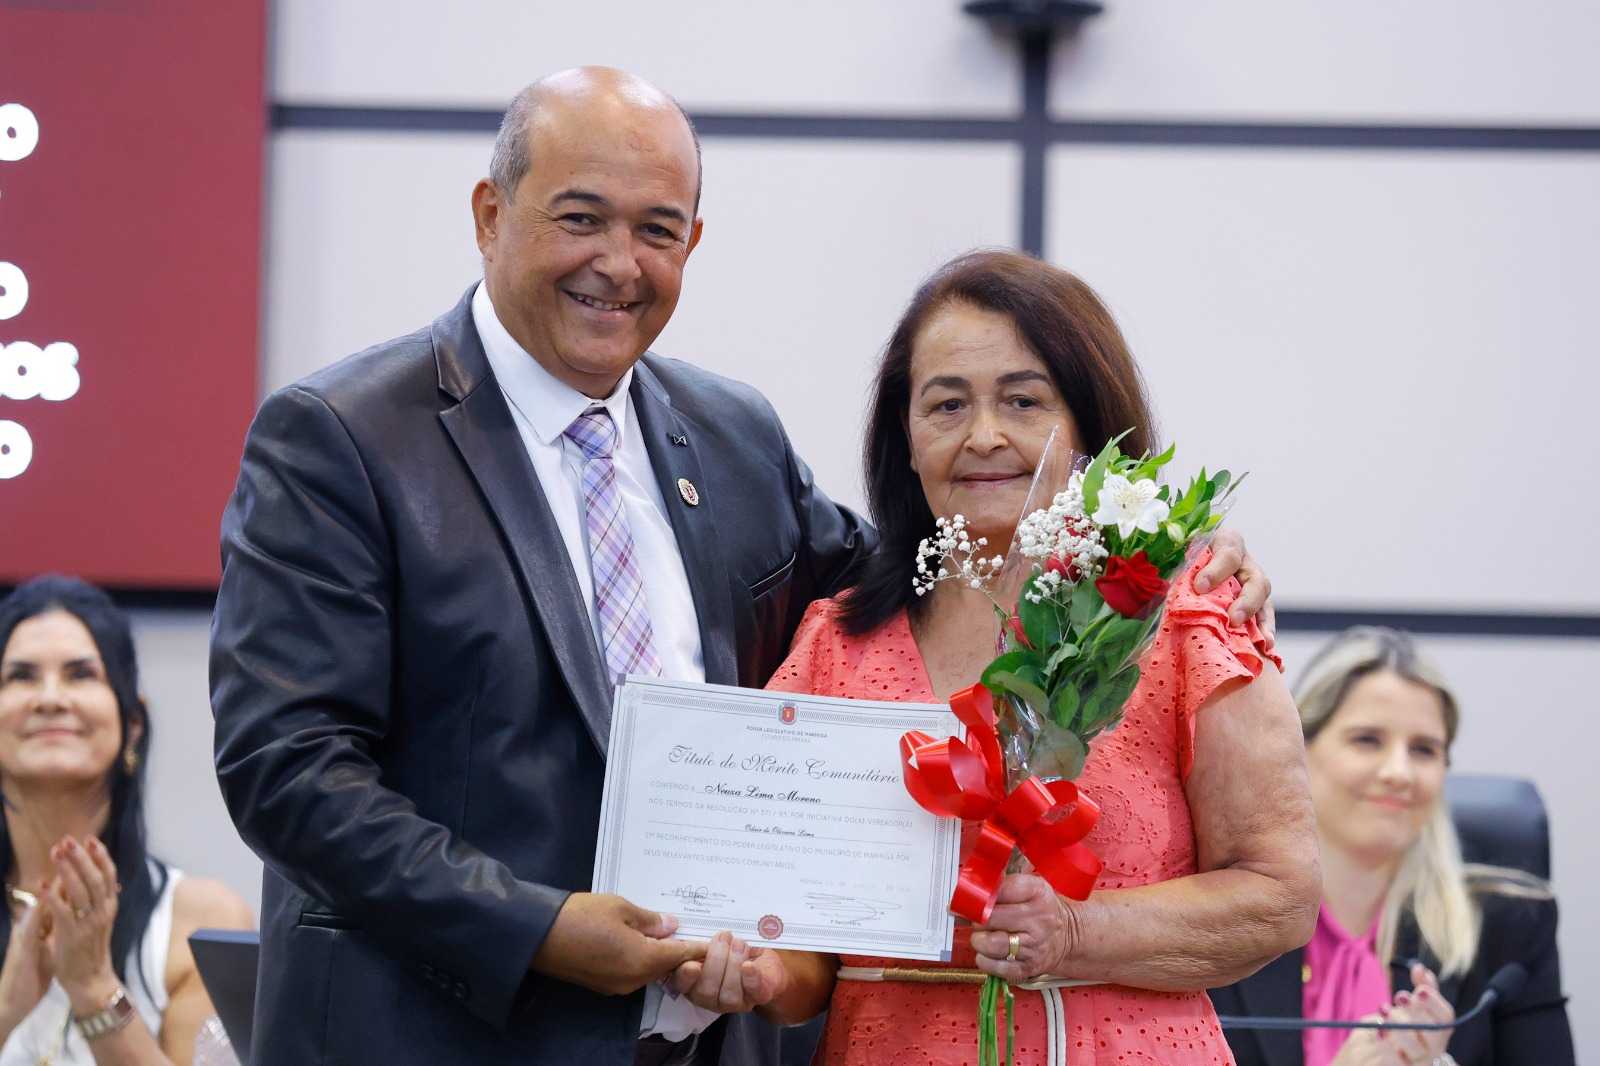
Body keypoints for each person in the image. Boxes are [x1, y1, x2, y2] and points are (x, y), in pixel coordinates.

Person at [209, 69, 1273, 1066]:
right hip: (432, 1034)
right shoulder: (341, 439)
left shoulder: (729, 436)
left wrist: (1159, 558)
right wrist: (541, 927)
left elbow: (918, 583)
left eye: (656, 230)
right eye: (579, 218)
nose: (618, 263)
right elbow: (287, 768)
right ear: (490, 215)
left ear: (693, 241)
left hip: (699, 1038)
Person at [672, 249, 1320, 1064]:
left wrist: (1078, 933)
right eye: (946, 405)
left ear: (1090, 424)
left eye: (1023, 400)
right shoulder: (836, 643)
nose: (984, 436)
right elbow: (805, 950)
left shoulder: (1185, 610)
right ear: (906, 440)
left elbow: (1279, 896)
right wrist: (759, 973)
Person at [1211, 627, 1575, 1066]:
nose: (1400, 773)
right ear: (1298, 747)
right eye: (1368, 740)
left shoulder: (1512, 926)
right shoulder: (1223, 918)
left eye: (1424, 749)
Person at [0, 576, 253, 1065]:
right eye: (21, 677)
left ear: (133, 724)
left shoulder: (200, 922)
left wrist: (94, 988)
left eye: (80, 675)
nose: (50, 698)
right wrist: (7, 1009)